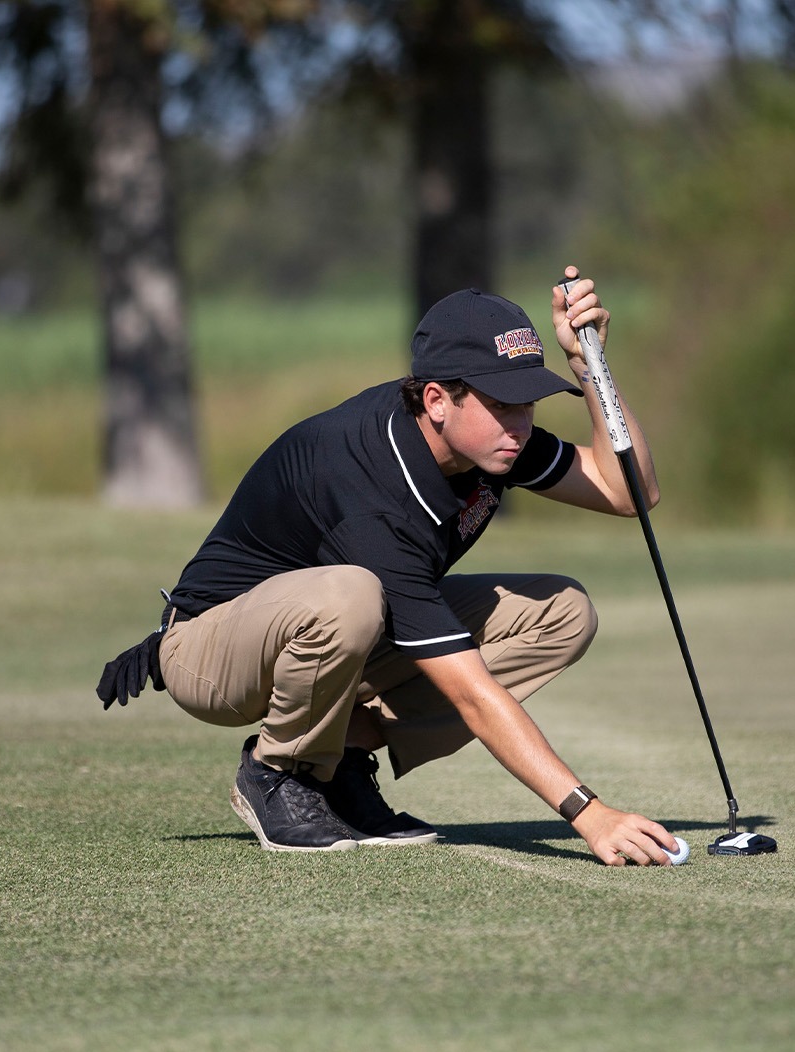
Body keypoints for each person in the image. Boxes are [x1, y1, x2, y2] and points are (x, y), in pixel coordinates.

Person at [96, 268, 681, 866]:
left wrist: (592, 368)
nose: (520, 424)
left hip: (327, 640)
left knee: (562, 612)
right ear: (436, 399)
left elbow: (628, 490)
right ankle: (278, 773)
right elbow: (472, 696)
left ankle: (340, 756)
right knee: (351, 594)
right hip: (210, 650)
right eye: (503, 403)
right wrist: (590, 813)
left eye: (528, 402)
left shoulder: (490, 439)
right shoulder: (373, 492)